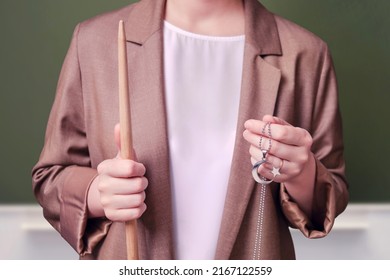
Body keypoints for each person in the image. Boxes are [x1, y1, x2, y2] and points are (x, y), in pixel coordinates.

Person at [32, 0, 348, 260]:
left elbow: (329, 199)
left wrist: (301, 173)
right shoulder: (94, 41)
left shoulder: (305, 53)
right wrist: (97, 194)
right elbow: (50, 178)